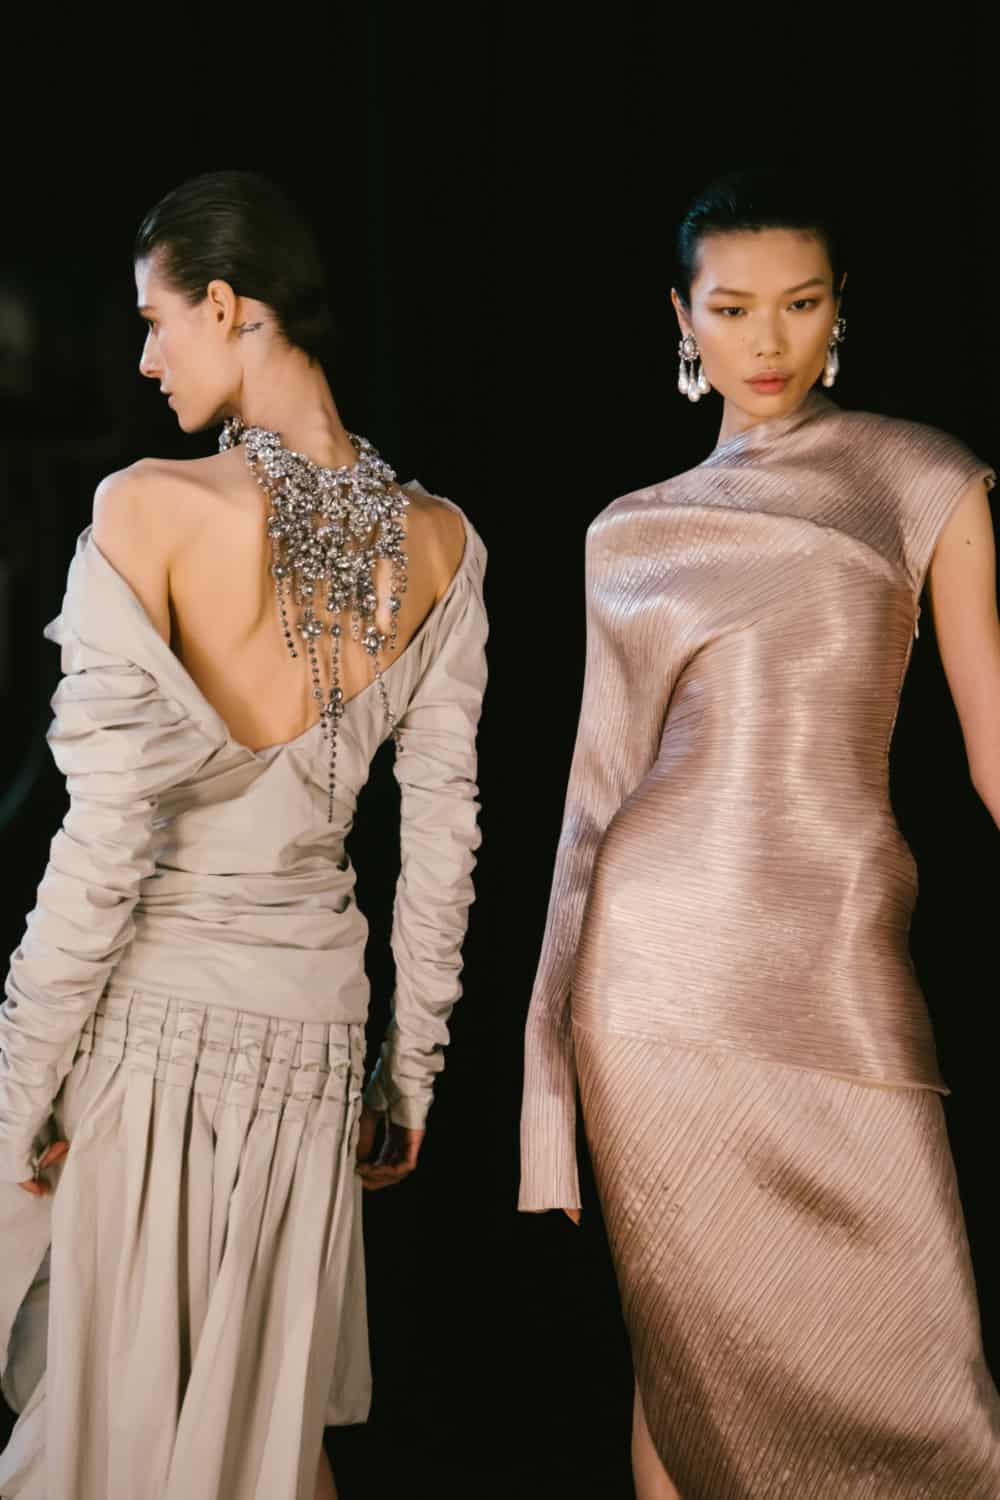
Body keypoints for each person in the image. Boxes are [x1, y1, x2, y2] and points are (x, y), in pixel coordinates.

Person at [0, 169, 488, 1500]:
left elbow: (103, 841)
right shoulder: (443, 544)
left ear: (226, 304)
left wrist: (24, 1078)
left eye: (157, 321)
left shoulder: (149, 507)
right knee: (266, 1441)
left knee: (119, 1441)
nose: (147, 359)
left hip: (151, 1032)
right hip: (314, 1042)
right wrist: (411, 1071)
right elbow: (441, 840)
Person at [519, 166, 1000, 1498]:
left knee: (925, 1377)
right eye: (732, 309)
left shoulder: (920, 476)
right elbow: (592, 806)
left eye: (801, 303)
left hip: (838, 955)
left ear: (842, 308)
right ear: (682, 319)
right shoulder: (630, 532)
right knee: (683, 1348)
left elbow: (994, 745)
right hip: (651, 981)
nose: (769, 340)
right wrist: (545, 1089)